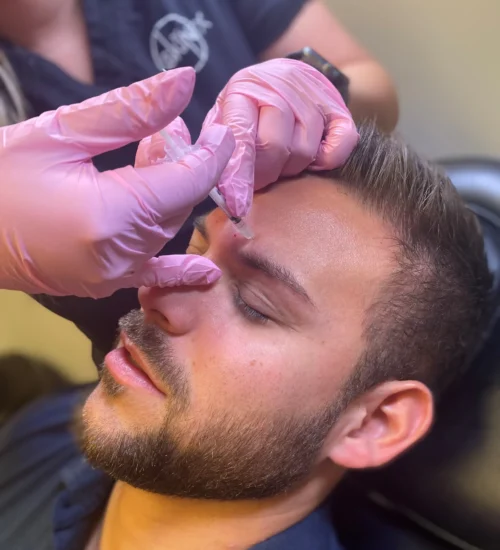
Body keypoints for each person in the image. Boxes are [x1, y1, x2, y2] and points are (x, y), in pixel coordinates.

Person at [0, 122, 491, 549]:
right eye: (195, 249)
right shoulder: (45, 433)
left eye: (254, 305)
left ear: (373, 424)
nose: (158, 296)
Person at [0, 0, 398, 362]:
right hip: (143, 374)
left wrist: (312, 90)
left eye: (256, 304)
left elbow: (377, 92)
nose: (163, 306)